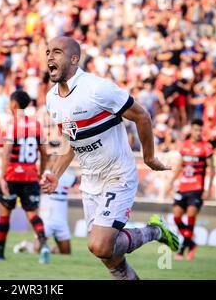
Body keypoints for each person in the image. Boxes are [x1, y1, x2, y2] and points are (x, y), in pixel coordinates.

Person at [41, 36, 179, 280]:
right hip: (91, 181)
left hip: (118, 174)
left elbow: (142, 116)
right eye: (47, 52)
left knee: (100, 245)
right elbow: (70, 139)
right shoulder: (52, 99)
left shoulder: (96, 88)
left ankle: (155, 231)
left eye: (57, 52)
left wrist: (148, 157)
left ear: (74, 59)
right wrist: (55, 173)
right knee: (107, 255)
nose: (50, 56)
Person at [0, 91, 50, 264]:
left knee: (4, 215)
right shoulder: (37, 125)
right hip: (30, 176)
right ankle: (44, 245)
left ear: (14, 104)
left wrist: (3, 177)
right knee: (32, 214)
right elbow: (44, 153)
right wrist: (41, 173)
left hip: (12, 175)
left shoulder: (12, 125)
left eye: (9, 102)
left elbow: (7, 152)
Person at [14, 142, 77, 255]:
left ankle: (50, 249)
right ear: (48, 161)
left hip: (62, 222)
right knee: (37, 250)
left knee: (66, 253)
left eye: (56, 159)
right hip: (47, 220)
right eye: (53, 159)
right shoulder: (44, 175)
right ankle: (27, 245)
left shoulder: (66, 176)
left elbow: (78, 180)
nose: (56, 161)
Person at [165, 119, 215, 260]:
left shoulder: (206, 147)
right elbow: (180, 166)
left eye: (200, 130)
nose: (198, 132)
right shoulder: (184, 146)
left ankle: (182, 250)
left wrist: (208, 189)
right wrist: (171, 182)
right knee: (176, 217)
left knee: (191, 217)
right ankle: (192, 244)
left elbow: (212, 169)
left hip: (197, 188)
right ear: (191, 130)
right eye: (195, 129)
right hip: (183, 187)